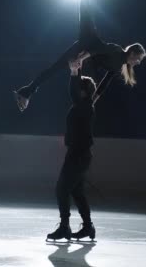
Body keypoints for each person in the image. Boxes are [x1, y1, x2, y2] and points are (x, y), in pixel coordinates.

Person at [14, 0, 146, 112]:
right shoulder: (118, 52)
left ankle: (25, 93)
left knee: (57, 69)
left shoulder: (118, 66)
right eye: (139, 58)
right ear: (132, 53)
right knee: (85, 0)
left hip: (85, 48)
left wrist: (93, 101)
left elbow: (104, 84)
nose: (139, 62)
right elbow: (99, 48)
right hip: (89, 38)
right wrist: (82, 57)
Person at [46, 58, 107, 241]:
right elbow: (85, 89)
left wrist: (74, 72)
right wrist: (78, 70)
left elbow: (73, 89)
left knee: (61, 189)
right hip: (79, 154)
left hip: (78, 155)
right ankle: (88, 227)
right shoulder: (86, 105)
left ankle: (65, 227)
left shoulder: (84, 106)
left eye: (78, 88)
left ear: (82, 91)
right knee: (76, 191)